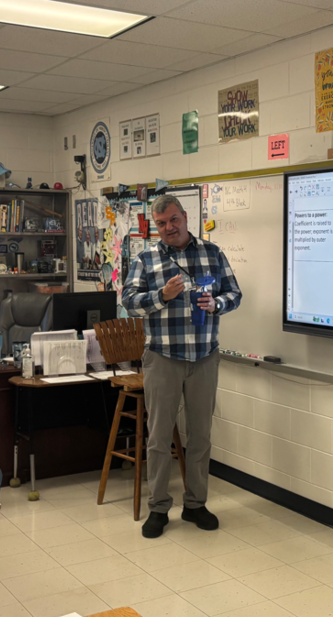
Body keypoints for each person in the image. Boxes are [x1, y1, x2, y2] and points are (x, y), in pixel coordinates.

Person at [122, 194, 241, 538]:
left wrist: (216, 303)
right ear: (155, 226)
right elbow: (129, 302)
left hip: (204, 355)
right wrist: (162, 297)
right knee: (159, 437)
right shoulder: (145, 259)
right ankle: (158, 507)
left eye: (173, 220)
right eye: (161, 224)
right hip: (163, 357)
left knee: (201, 434)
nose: (169, 228)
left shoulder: (212, 253)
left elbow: (235, 293)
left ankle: (196, 504)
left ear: (185, 217)